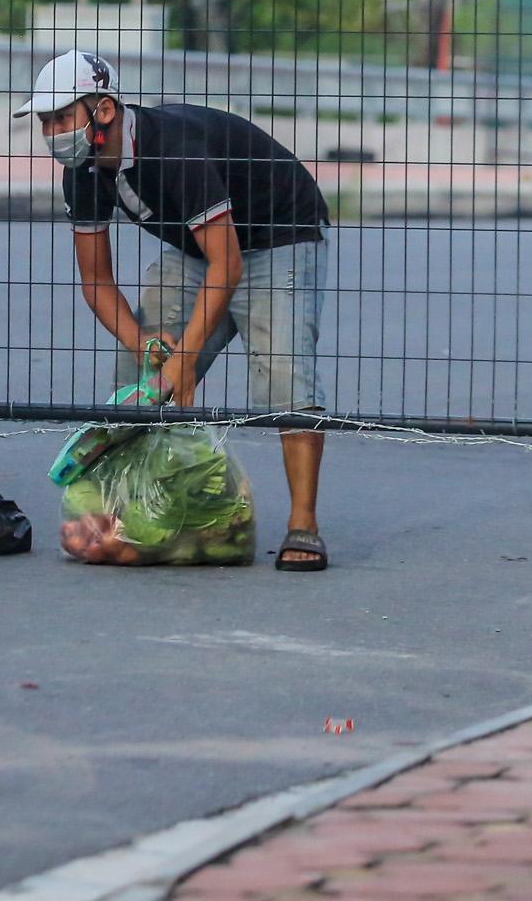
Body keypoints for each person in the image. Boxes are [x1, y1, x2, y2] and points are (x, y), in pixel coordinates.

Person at [17, 49, 334, 571]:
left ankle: (304, 523)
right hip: (199, 249)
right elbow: (96, 281)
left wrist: (184, 359)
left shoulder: (173, 151)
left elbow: (228, 266)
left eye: (62, 118)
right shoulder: (83, 170)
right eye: (45, 122)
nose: (53, 133)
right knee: (140, 372)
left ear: (104, 110)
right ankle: (131, 507)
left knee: (283, 375)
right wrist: (142, 343)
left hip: (281, 235)